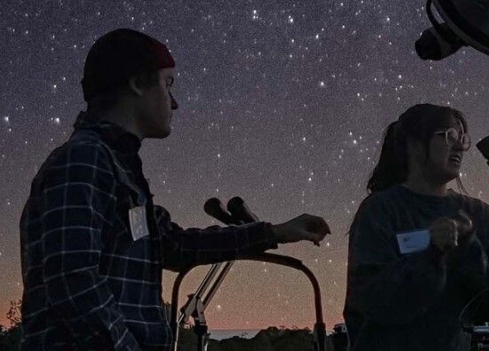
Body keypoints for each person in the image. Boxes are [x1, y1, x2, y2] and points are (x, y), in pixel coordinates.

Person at [19, 28, 331, 351]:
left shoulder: (119, 171)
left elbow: (175, 245)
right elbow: (73, 281)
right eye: (167, 84)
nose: (175, 102)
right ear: (138, 83)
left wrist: (276, 232)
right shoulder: (82, 161)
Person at [345, 103, 489, 351]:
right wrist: (431, 256)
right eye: (449, 136)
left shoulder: (478, 215)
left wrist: (470, 249)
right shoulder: (380, 211)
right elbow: (373, 302)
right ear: (414, 144)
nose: (460, 146)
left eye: (462, 138)